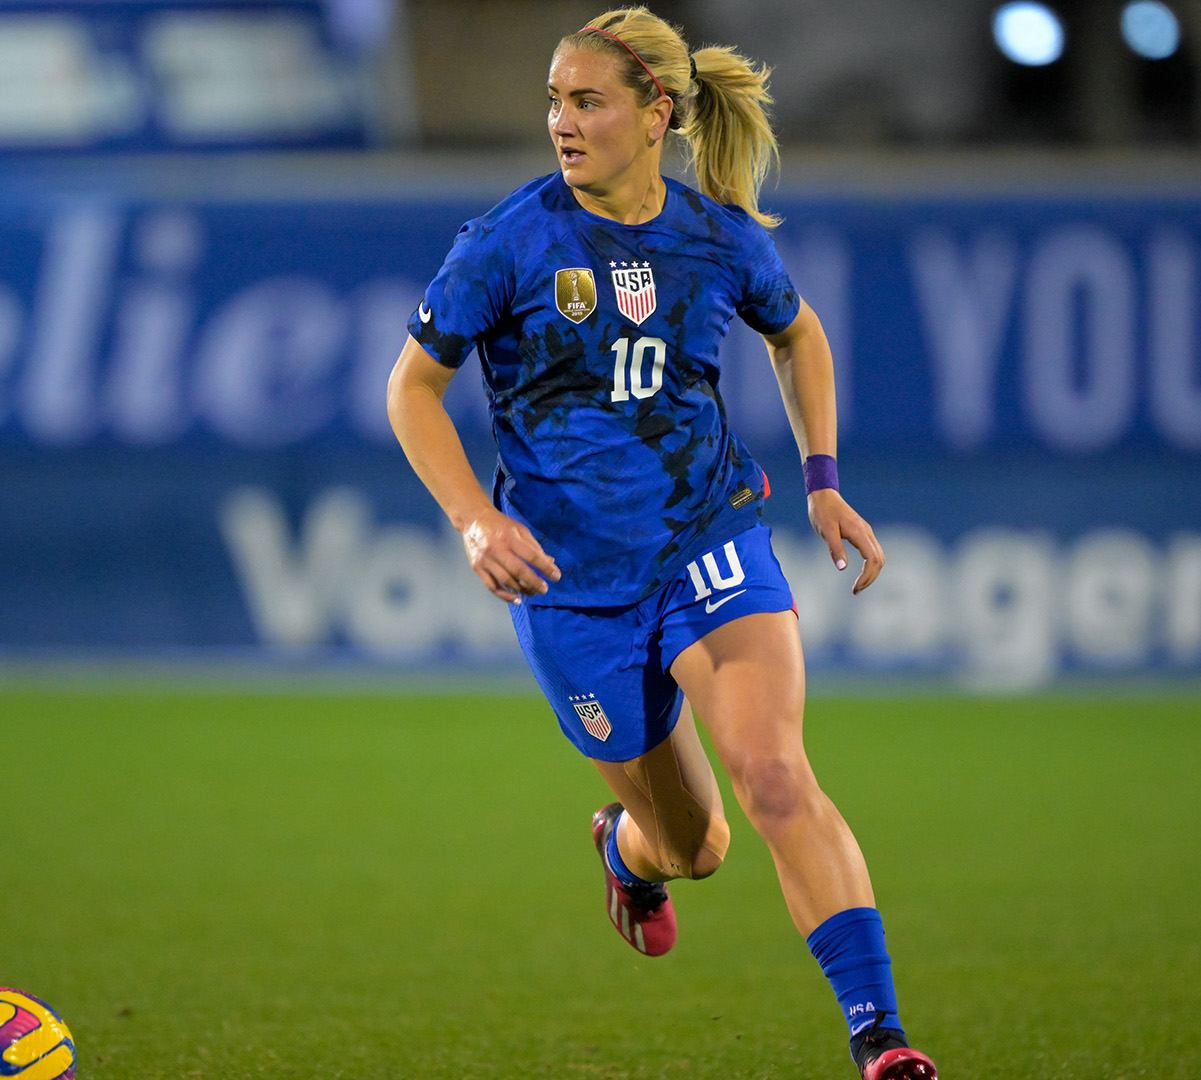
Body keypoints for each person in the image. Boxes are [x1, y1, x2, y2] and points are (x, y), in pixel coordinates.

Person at [385, 8, 936, 1080]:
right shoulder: (508, 241)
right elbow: (412, 389)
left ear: (658, 115)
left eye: (586, 100)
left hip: (707, 538)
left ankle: (880, 1038)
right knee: (699, 848)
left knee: (775, 776)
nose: (562, 121)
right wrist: (474, 518)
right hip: (574, 585)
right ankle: (624, 851)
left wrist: (822, 483)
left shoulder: (718, 236)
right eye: (553, 100)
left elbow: (799, 332)